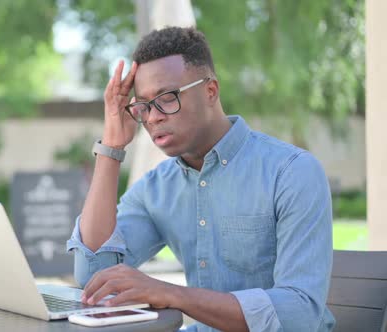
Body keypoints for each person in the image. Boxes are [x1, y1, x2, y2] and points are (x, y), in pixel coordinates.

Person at [66, 27, 335, 332]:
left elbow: (299, 314)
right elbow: (93, 275)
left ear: (210, 91)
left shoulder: (292, 173)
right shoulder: (156, 188)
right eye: (143, 106)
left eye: (166, 98)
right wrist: (111, 147)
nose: (152, 117)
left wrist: (173, 294)